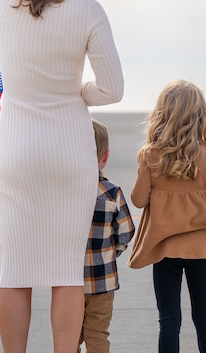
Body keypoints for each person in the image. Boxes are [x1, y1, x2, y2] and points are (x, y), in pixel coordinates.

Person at [0, 0, 124, 353]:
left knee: (15, 270)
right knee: (67, 272)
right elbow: (111, 90)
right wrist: (75, 94)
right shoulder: (89, 10)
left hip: (16, 151)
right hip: (71, 153)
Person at [128, 80, 206, 353]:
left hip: (164, 251)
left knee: (169, 320)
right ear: (200, 116)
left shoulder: (150, 156)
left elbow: (138, 200)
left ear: (162, 113)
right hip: (201, 250)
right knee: (205, 319)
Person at [78, 119, 135, 353]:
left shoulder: (64, 193)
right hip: (103, 282)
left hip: (69, 283)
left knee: (68, 335)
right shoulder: (112, 193)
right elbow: (126, 232)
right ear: (105, 156)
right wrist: (111, 253)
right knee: (98, 335)